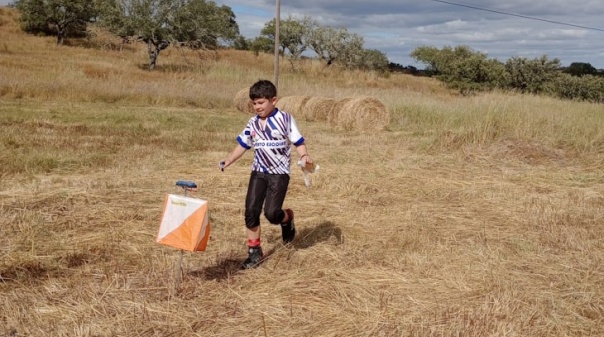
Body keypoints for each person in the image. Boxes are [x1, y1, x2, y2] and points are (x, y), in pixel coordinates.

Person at [220, 80, 313, 269]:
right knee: (251, 211)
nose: (257, 107)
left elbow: (298, 141)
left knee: (271, 214)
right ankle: (255, 253)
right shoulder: (252, 123)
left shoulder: (286, 119)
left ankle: (287, 218)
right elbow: (243, 144)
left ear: (274, 100)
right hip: (258, 172)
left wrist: (304, 155)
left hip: (279, 174)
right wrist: (229, 159)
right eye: (254, 103)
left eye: (261, 103)